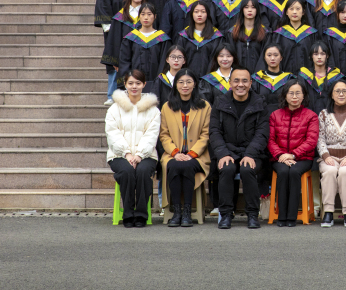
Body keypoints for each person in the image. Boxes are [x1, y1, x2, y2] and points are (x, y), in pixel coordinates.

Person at [210, 67, 270, 229]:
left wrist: (250, 154)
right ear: (230, 83)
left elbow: (262, 133)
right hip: (228, 152)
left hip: (253, 153)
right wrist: (222, 153)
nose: (240, 84)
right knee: (227, 168)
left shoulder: (259, 103)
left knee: (247, 169)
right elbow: (214, 131)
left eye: (244, 81)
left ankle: (252, 214)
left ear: (250, 83)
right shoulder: (220, 102)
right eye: (236, 80)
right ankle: (226, 214)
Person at [105, 69, 160, 228]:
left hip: (147, 155)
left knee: (143, 171)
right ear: (125, 84)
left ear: (144, 84)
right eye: (130, 83)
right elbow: (112, 134)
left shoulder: (153, 110)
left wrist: (140, 155)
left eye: (138, 83)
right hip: (119, 155)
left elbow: (151, 135)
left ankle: (141, 214)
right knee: (127, 171)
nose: (134, 86)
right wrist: (127, 154)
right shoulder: (114, 109)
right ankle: (128, 214)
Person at [159, 68, 212, 228]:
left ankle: (187, 211)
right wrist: (175, 153)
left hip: (197, 155)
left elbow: (206, 134)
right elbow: (164, 135)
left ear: (194, 84)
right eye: (181, 82)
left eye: (189, 82)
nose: (185, 85)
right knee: (175, 165)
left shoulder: (204, 106)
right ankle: (177, 212)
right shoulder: (167, 107)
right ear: (175, 85)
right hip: (172, 154)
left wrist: (192, 154)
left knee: (187, 165)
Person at [268, 79, 320, 227]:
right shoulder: (275, 115)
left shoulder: (311, 116)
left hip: (303, 158)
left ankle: (291, 217)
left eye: (298, 93)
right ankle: (281, 216)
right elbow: (270, 140)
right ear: (285, 95)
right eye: (291, 93)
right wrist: (281, 155)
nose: (295, 96)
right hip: (279, 157)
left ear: (304, 96)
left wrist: (293, 155)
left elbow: (311, 141)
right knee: (283, 171)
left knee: (294, 172)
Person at [317, 79, 346, 228]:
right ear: (332, 94)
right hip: (328, 157)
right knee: (330, 171)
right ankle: (328, 212)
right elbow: (319, 139)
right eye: (337, 91)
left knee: (344, 172)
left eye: (344, 91)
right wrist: (326, 156)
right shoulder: (324, 114)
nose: (341, 94)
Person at [95, 0, 134, 104]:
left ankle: (128, 92)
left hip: (131, 25)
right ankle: (112, 94)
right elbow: (102, 2)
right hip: (113, 27)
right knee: (113, 58)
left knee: (130, 57)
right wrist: (108, 26)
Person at [101, 0, 146, 105]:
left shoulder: (149, 14)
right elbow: (114, 40)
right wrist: (115, 60)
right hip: (124, 58)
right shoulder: (120, 16)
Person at [119, 3, 171, 90]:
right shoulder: (131, 38)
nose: (146, 17)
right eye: (143, 14)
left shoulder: (162, 39)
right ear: (139, 16)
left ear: (155, 16)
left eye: (149, 14)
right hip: (135, 84)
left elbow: (164, 62)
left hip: (157, 84)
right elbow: (124, 61)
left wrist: (160, 81)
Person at [261, 0, 320, 74]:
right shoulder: (279, 34)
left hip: (307, 76)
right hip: (284, 76)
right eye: (291, 9)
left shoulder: (311, 33)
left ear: (303, 12)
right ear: (286, 12)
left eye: (298, 9)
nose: (294, 12)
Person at [175, 0, 225, 79]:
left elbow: (216, 60)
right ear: (192, 14)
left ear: (208, 14)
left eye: (203, 12)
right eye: (196, 12)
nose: (199, 14)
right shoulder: (184, 35)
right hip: (187, 80)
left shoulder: (216, 36)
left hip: (210, 79)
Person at [320, 0, 346, 74]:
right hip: (334, 76)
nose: (345, 16)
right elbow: (327, 56)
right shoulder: (329, 34)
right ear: (337, 14)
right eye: (342, 12)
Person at [299, 40, 343, 113]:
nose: (319, 57)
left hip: (331, 115)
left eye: (322, 54)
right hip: (308, 115)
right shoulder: (304, 76)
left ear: (327, 56)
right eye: (316, 54)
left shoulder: (335, 76)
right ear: (311, 56)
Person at [227, 0, 267, 74]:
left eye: (253, 7)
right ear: (242, 10)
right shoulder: (233, 32)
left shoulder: (265, 33)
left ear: (257, 10)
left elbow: (264, 57)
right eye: (246, 7)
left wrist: (258, 75)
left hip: (258, 75)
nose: (250, 10)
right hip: (237, 75)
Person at [252, 44, 295, 113]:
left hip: (284, 116)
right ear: (264, 58)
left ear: (281, 58)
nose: (272, 58)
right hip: (261, 116)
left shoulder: (289, 79)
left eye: (276, 55)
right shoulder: (257, 79)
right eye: (269, 55)